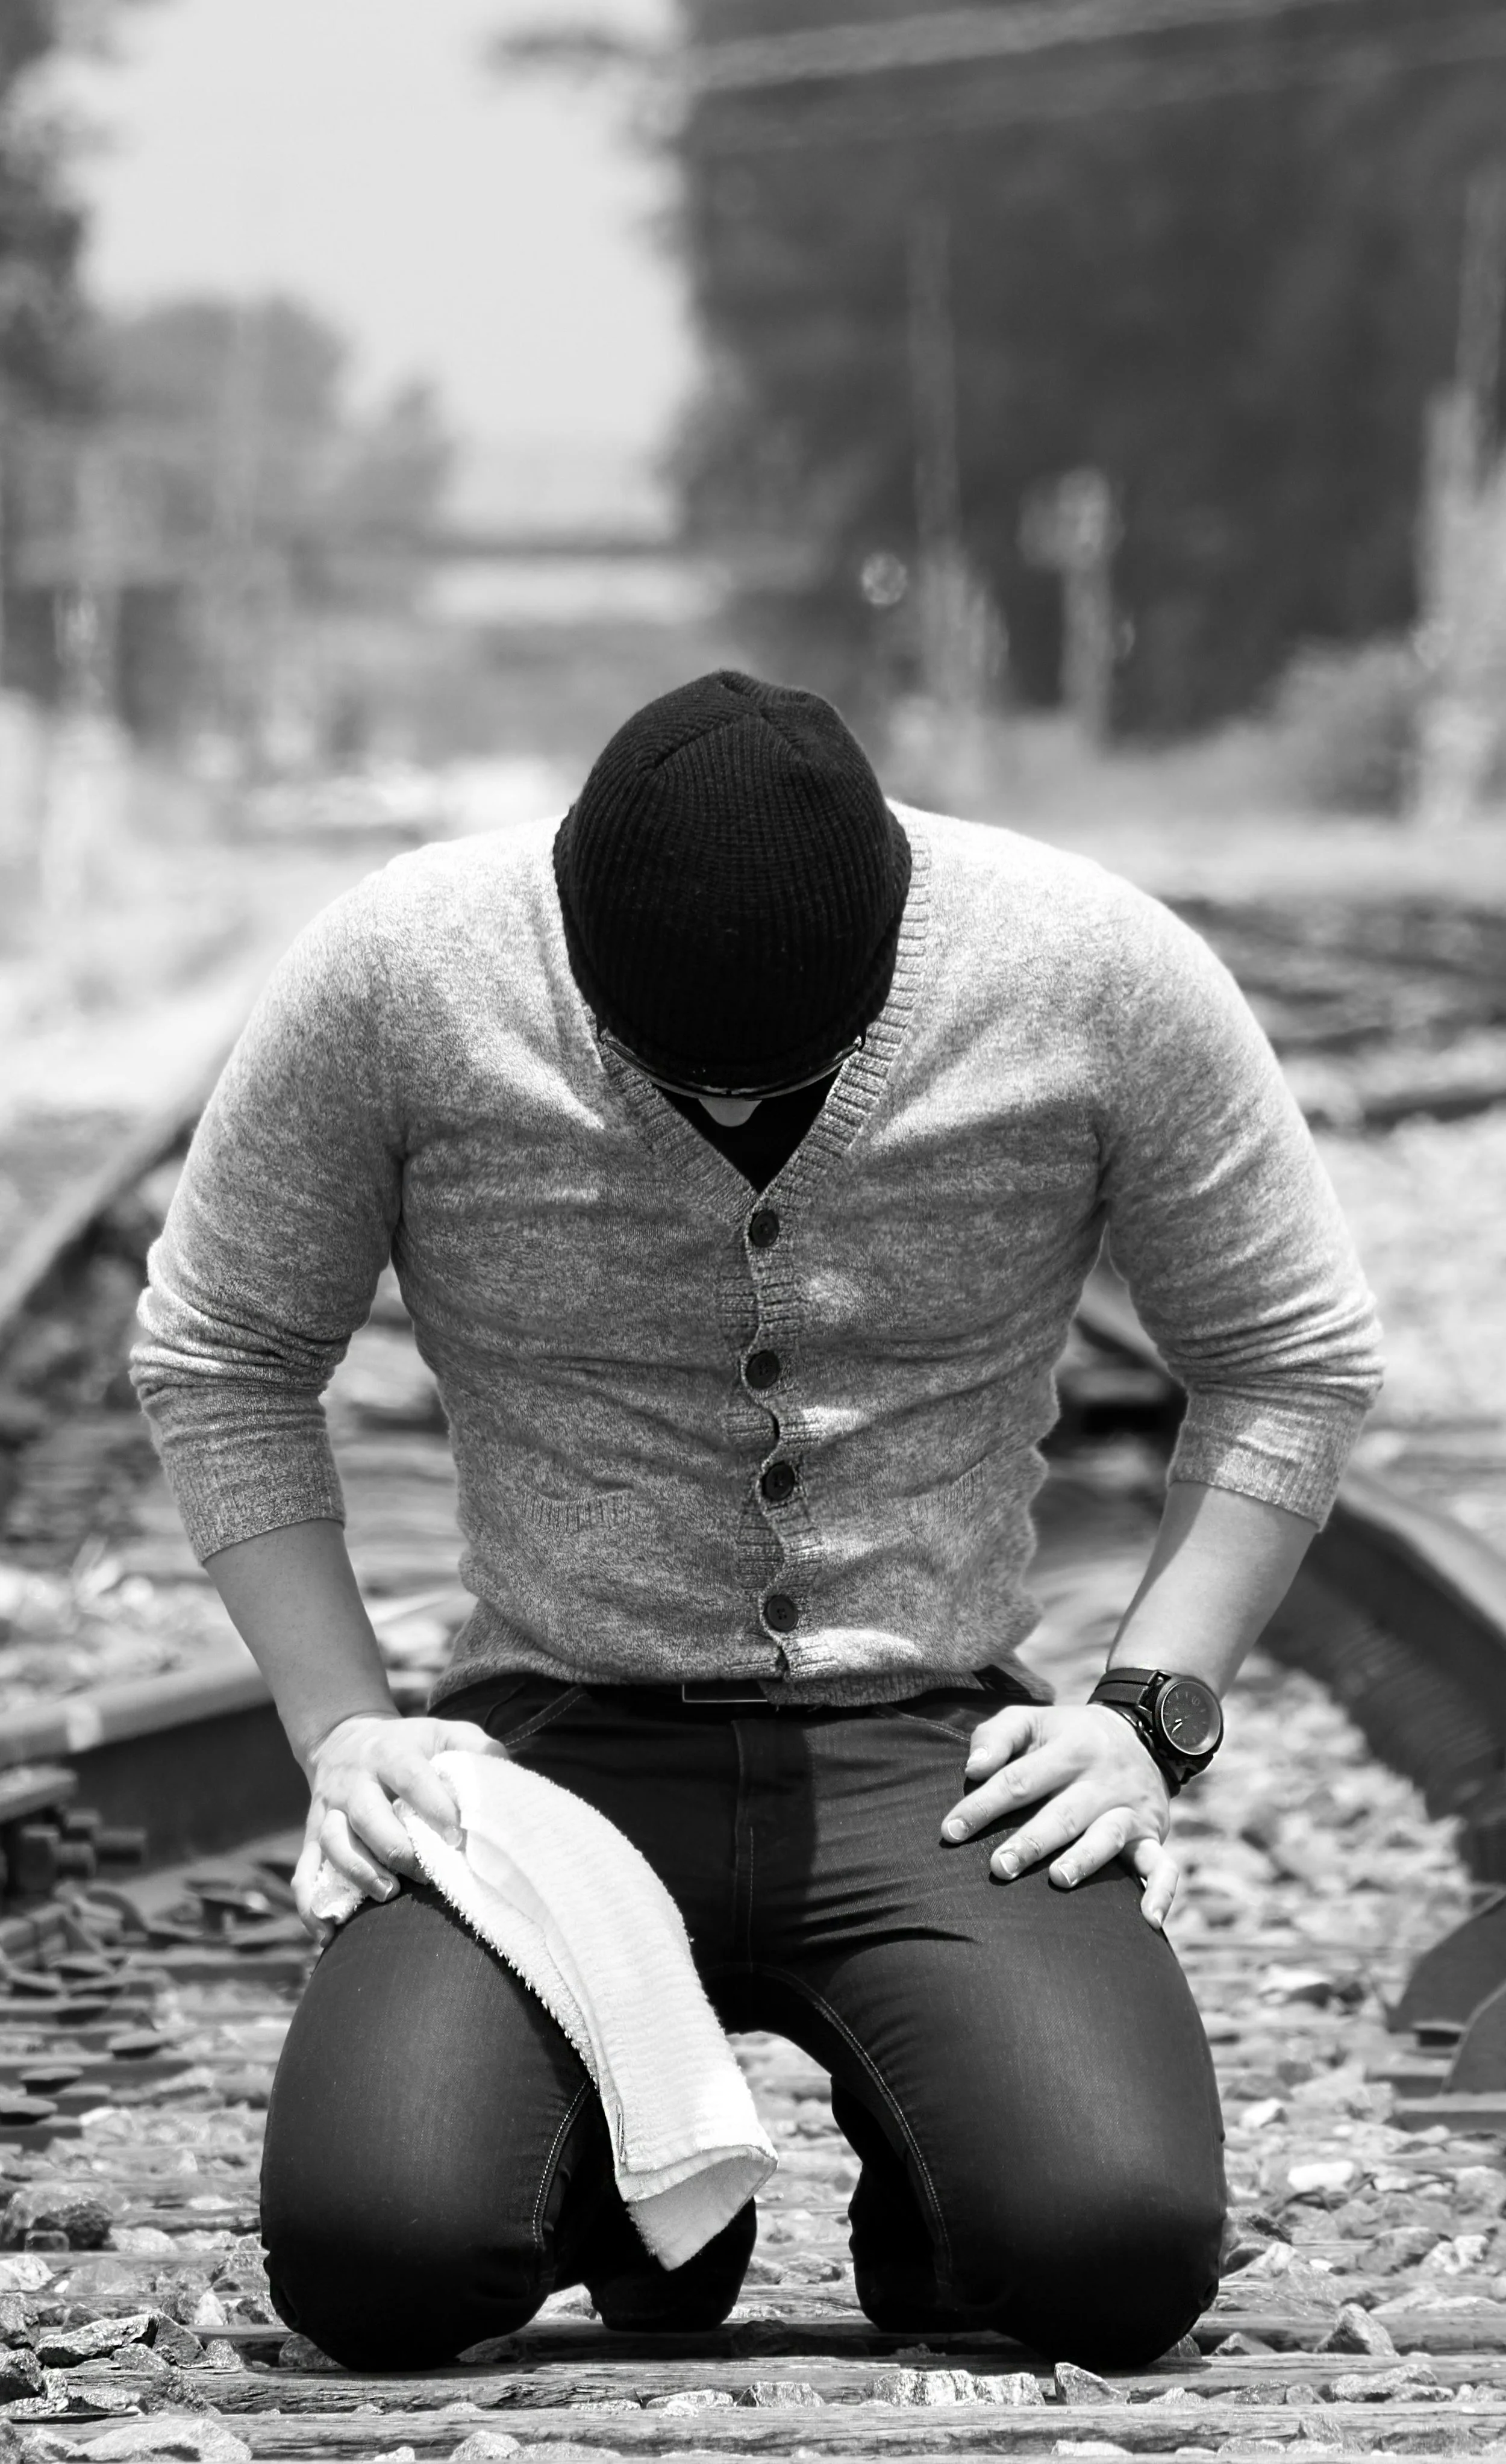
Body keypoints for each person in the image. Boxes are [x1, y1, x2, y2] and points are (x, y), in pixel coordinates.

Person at [132, 670, 1381, 2372]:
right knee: (377, 2263)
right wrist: (343, 1724)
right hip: (547, 1752)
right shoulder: (401, 971)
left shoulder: (1091, 970)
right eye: (677, 1080)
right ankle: (650, 2188)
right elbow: (220, 1351)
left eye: (779, 1080)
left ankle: (929, 2183)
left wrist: (1147, 1715)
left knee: (1109, 2258)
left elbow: (1291, 1355)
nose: (727, 1118)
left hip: (935, 1759)